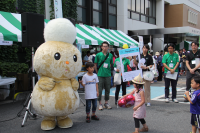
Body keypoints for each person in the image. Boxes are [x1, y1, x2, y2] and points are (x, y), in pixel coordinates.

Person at [94, 41, 113, 110]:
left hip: (108, 75)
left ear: (108, 47)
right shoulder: (98, 55)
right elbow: (95, 64)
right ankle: (100, 104)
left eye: (106, 46)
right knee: (99, 90)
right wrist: (97, 72)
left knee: (107, 89)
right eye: (103, 46)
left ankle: (106, 102)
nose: (105, 47)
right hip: (100, 75)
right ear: (101, 47)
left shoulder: (110, 55)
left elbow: (111, 65)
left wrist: (109, 71)